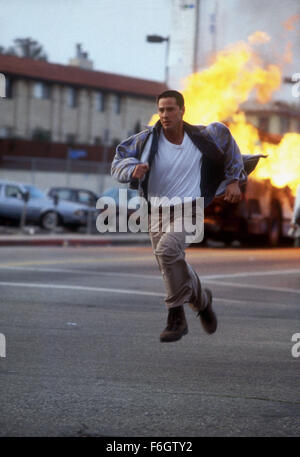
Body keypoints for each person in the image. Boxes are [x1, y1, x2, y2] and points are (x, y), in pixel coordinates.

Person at [111, 90, 262, 343]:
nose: (165, 115)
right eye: (161, 110)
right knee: (170, 264)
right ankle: (203, 303)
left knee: (168, 251)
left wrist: (235, 180)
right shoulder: (145, 140)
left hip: (190, 208)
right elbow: (118, 161)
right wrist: (132, 170)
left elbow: (228, 144)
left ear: (182, 110)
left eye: (170, 109)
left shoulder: (204, 135)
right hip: (157, 210)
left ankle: (175, 316)